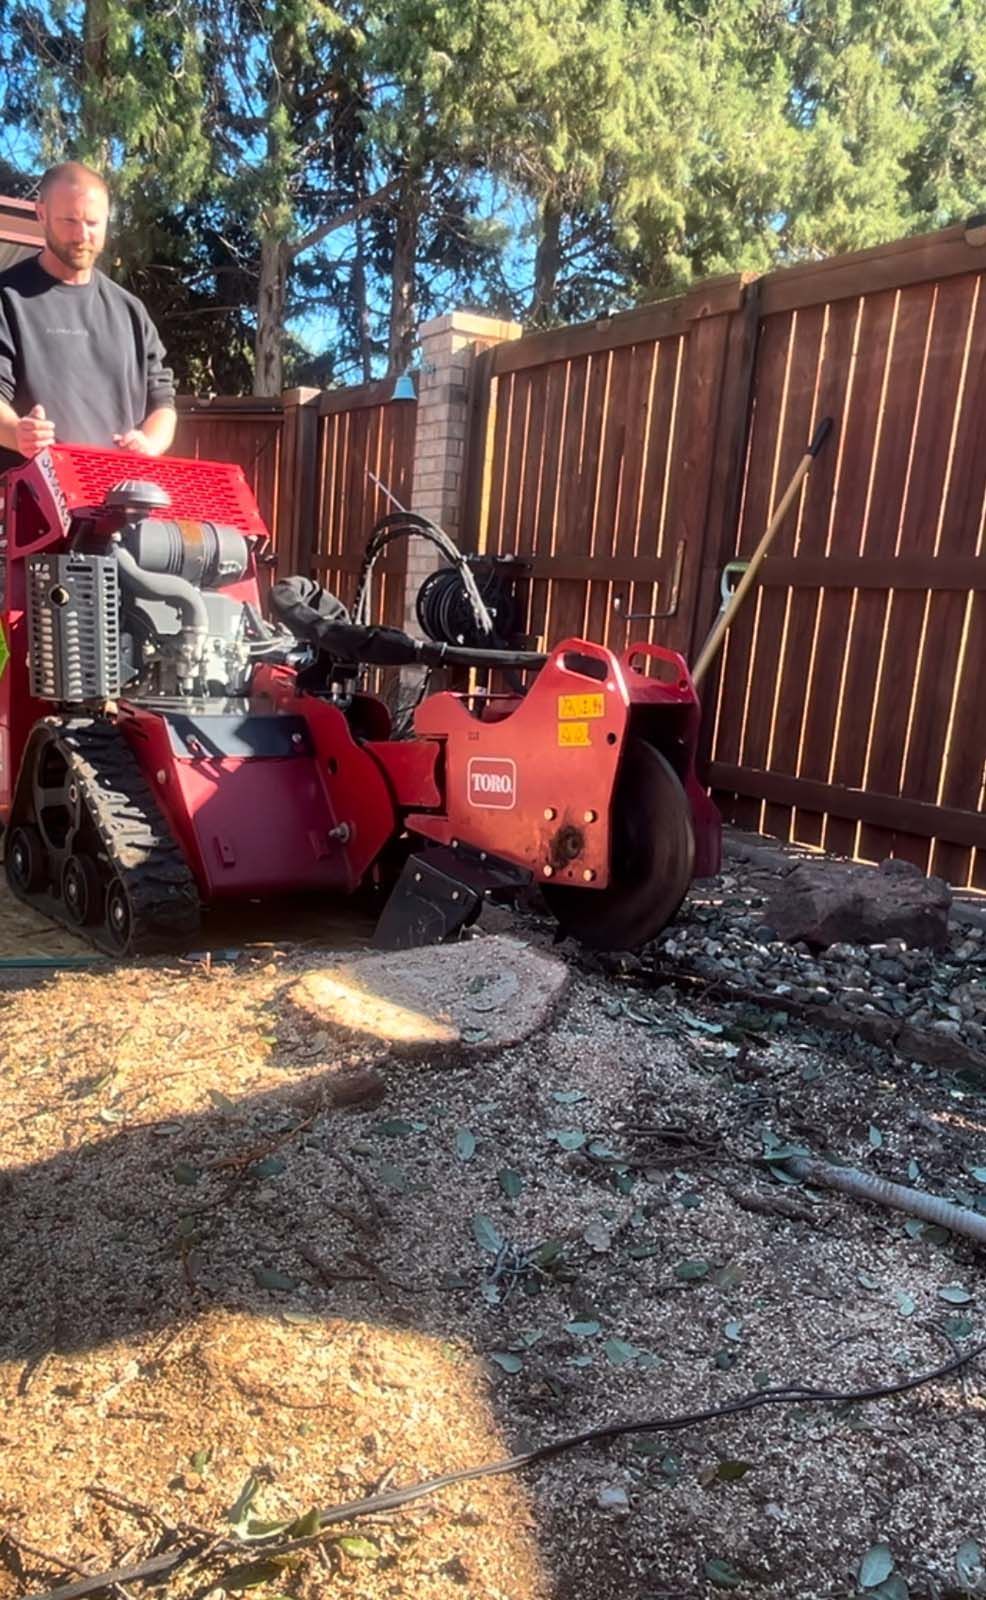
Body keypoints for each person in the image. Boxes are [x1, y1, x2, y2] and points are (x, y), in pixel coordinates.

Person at [0, 161, 177, 477]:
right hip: (31, 496)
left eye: (93, 223)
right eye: (69, 220)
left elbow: (163, 404)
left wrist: (149, 443)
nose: (82, 235)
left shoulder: (131, 312)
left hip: (116, 495)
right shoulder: (8, 298)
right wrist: (19, 433)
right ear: (41, 213)